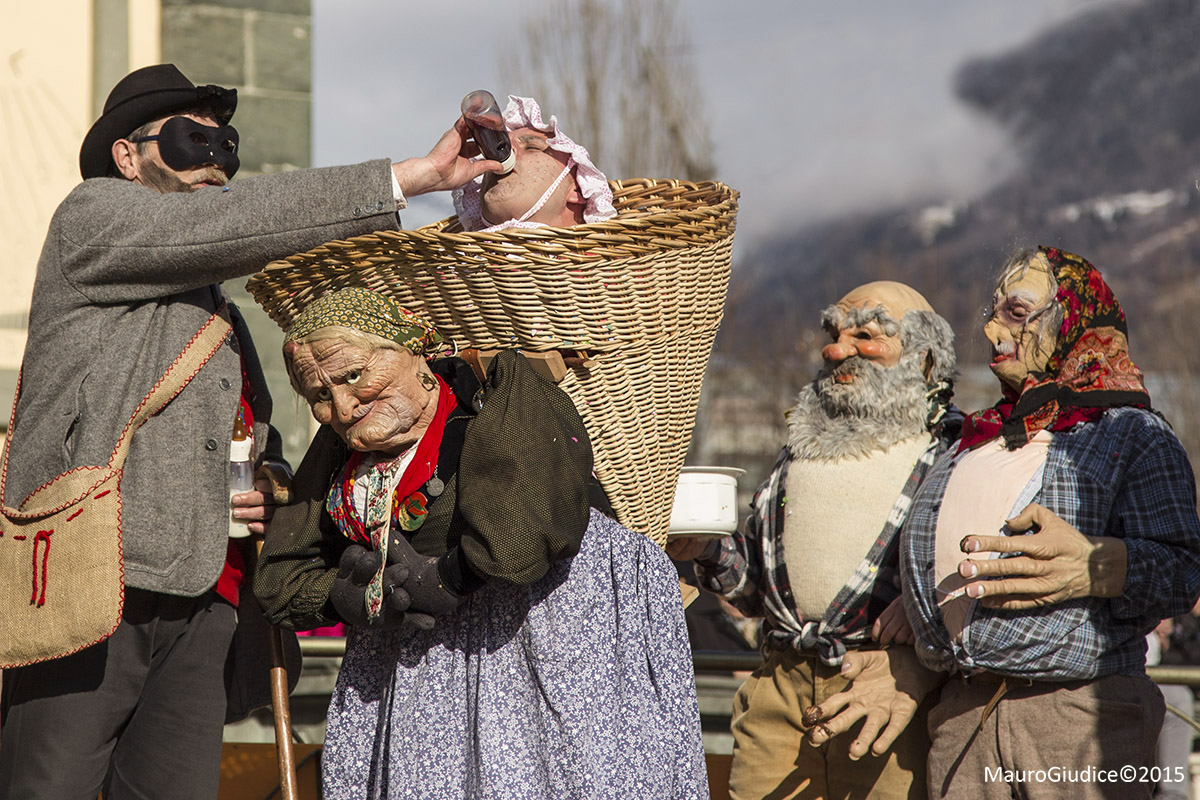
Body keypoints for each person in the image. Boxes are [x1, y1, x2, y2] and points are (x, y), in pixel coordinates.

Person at [0, 63, 500, 800]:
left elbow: (257, 442)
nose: (214, 160)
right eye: (189, 139)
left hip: (202, 599)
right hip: (90, 581)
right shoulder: (92, 217)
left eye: (225, 145)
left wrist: (264, 484)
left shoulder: (220, 316)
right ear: (127, 156)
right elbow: (230, 225)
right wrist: (409, 178)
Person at [252, 288, 708, 799]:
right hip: (416, 672)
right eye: (318, 394)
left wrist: (448, 578)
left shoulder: (499, 396)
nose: (340, 404)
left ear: (412, 347)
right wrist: (348, 596)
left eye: (353, 375)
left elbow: (518, 540)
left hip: (544, 639)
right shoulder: (341, 448)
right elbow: (278, 579)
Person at [890, 246, 1200, 800]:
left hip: (1078, 715)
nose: (989, 330)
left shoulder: (1133, 434)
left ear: (1072, 321)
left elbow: (1184, 570)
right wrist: (916, 598)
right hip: (964, 716)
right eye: (992, 311)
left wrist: (1101, 567)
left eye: (1015, 312)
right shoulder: (979, 436)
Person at [670, 281, 959, 800]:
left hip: (886, 688)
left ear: (924, 358)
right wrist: (709, 551)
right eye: (834, 332)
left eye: (866, 335)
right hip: (778, 689)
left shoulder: (953, 457)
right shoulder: (796, 456)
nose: (836, 349)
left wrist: (919, 636)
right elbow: (755, 589)